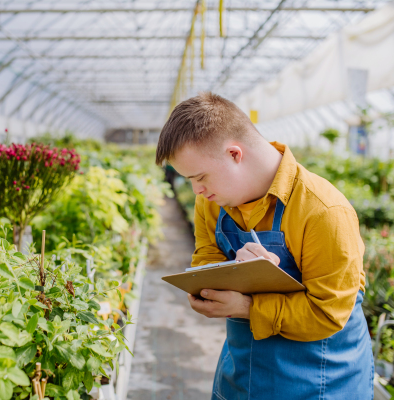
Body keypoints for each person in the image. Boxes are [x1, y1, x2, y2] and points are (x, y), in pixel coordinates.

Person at [155, 92, 373, 399]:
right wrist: (221, 278)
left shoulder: (323, 211)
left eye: (200, 177)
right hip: (243, 372)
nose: (197, 190)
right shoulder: (212, 201)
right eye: (190, 180)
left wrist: (246, 305)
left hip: (320, 379)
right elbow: (205, 258)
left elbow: (327, 314)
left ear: (234, 154)